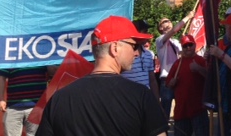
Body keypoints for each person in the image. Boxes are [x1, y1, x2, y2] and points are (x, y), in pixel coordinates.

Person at [37, 15, 168, 136]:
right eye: (134, 46)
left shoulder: (59, 99)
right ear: (114, 48)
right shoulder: (141, 96)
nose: (136, 53)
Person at [166, 34, 208, 136]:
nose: (188, 48)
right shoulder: (177, 63)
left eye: (190, 45)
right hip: (181, 111)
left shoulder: (201, 61)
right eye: (185, 46)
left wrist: (198, 68)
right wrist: (171, 83)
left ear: (195, 45)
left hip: (199, 110)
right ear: (182, 47)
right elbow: (168, 83)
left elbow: (210, 78)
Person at [156, 11, 194, 118]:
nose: (168, 22)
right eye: (165, 21)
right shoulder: (160, 40)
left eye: (169, 21)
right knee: (165, 111)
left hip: (178, 78)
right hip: (167, 79)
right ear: (161, 28)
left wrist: (186, 45)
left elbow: (184, 55)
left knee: (181, 110)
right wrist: (187, 17)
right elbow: (174, 30)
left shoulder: (176, 42)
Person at [0, 66, 53, 136]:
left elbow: (53, 71)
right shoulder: (9, 59)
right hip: (13, 106)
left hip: (36, 107)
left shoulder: (41, 59)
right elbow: (1, 77)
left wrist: (49, 61)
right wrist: (1, 99)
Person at [122, 19, 160, 100]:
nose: (147, 34)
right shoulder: (123, 54)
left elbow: (152, 80)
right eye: (145, 31)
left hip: (145, 100)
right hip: (129, 100)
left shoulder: (148, 54)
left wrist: (157, 101)